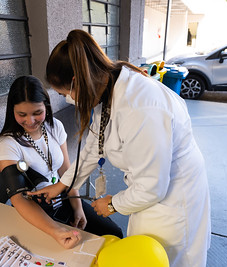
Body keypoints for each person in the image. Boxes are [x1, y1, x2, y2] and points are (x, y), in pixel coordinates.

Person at [28, 30, 211, 266]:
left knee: (160, 258)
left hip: (172, 200)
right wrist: (62, 185)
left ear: (77, 81)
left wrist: (113, 204)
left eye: (66, 94)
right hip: (148, 190)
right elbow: (95, 144)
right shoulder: (109, 87)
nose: (69, 100)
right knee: (139, 251)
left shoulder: (140, 107)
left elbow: (153, 187)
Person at [0, 75, 123, 249]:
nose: (30, 121)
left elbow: (66, 171)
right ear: (12, 111)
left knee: (113, 234)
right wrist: (56, 231)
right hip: (35, 209)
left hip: (63, 197)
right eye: (22, 114)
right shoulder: (8, 144)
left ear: (46, 107)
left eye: (37, 113)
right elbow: (19, 199)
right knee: (73, 250)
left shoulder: (54, 126)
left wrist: (77, 207)